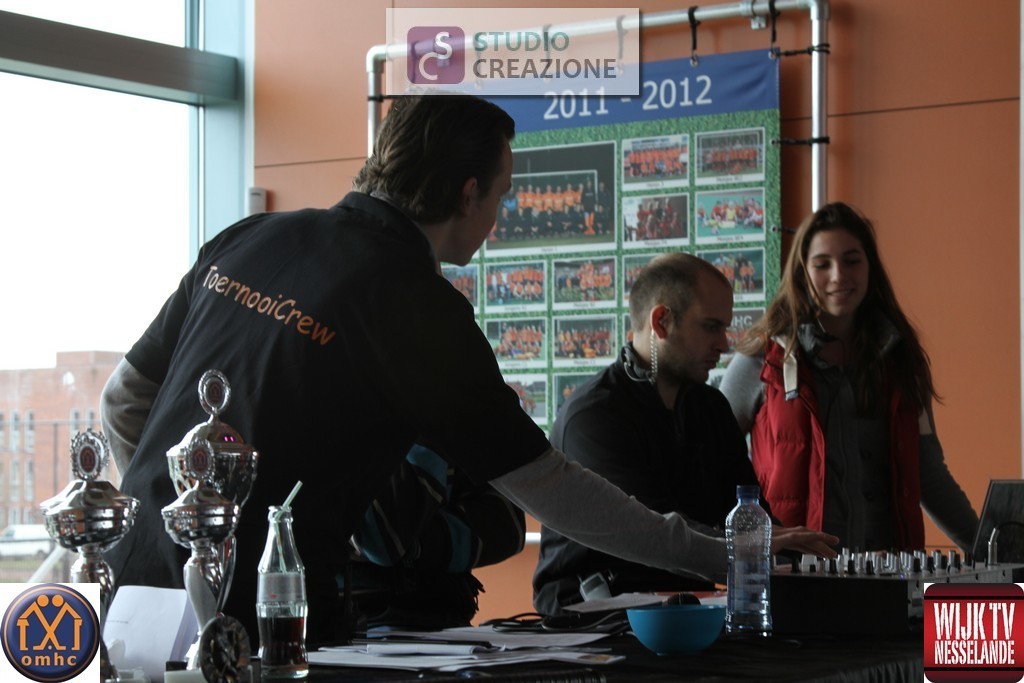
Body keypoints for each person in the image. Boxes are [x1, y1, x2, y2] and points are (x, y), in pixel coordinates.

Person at [100, 94, 835, 647]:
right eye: (502, 194)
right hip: (265, 620)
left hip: (131, 593)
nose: (498, 218)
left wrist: (183, 523)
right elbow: (552, 488)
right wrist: (729, 552)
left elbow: (124, 400)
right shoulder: (415, 305)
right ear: (466, 192)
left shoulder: (254, 235)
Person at [719, 201, 978, 553]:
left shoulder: (901, 360)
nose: (839, 276)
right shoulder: (761, 360)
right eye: (822, 264)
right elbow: (713, 462)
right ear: (802, 272)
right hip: (792, 576)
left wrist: (993, 549)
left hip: (889, 575)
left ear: (871, 267)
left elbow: (928, 474)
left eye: (852, 260)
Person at [533, 253, 766, 615]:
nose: (724, 343)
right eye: (711, 327)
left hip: (689, 615)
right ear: (661, 322)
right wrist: (758, 549)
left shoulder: (711, 409)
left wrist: (791, 550)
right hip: (593, 625)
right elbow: (652, 534)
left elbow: (749, 512)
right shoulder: (593, 416)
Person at [346, 444, 524, 630]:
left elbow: (508, 527)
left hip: (444, 620)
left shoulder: (458, 428)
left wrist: (412, 544)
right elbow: (382, 538)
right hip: (355, 621)